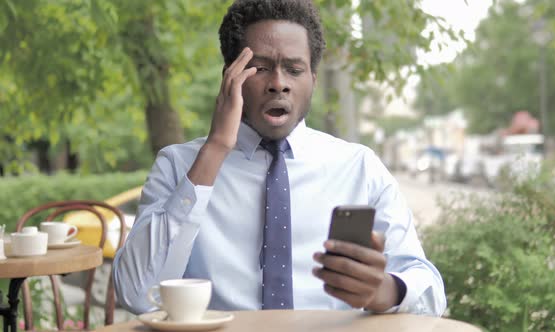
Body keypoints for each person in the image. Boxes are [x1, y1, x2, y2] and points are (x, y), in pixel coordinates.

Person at [113, 0, 446, 316]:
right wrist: (214, 150)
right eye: (260, 68)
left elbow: (430, 293)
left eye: (294, 69)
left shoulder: (360, 168)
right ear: (231, 76)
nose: (278, 84)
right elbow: (136, 293)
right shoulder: (177, 166)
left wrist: (384, 291)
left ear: (313, 80)